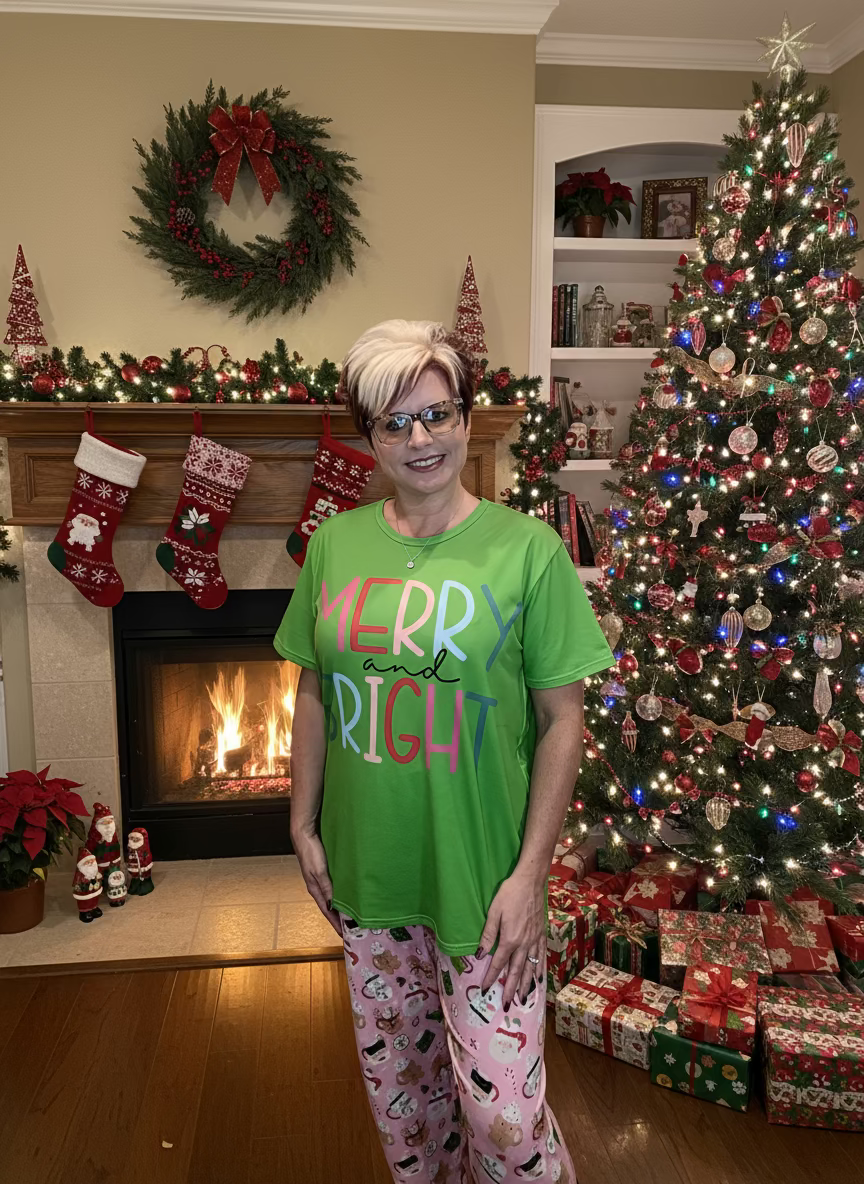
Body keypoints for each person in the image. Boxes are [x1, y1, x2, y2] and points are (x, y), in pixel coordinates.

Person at [275, 320, 613, 1182]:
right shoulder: (333, 546)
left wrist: (531, 874)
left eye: (437, 414)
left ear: (467, 418)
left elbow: (563, 718)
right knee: (408, 1104)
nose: (419, 439)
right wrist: (301, 820)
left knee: (504, 1117)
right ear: (367, 436)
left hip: (484, 884)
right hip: (370, 877)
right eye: (395, 422)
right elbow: (313, 685)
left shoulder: (530, 551)